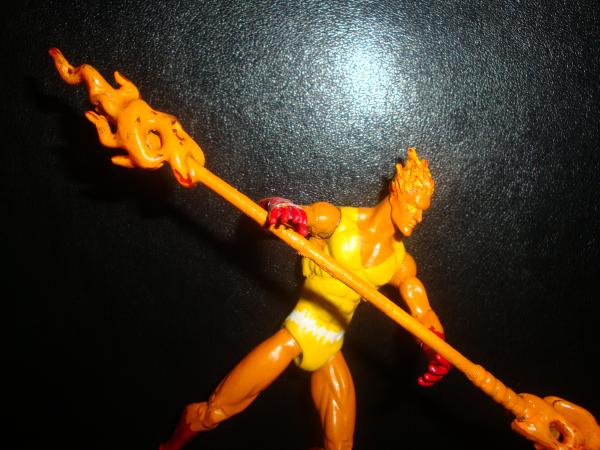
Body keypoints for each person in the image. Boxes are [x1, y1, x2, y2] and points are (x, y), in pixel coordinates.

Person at [159, 148, 451, 450]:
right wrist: (285, 210)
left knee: (340, 446)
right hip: (298, 330)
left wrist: (436, 348)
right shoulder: (338, 221)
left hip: (330, 346)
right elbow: (275, 209)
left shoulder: (400, 263)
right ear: (395, 194)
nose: (418, 218)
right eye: (413, 207)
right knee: (215, 411)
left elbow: (422, 311)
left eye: (423, 212)